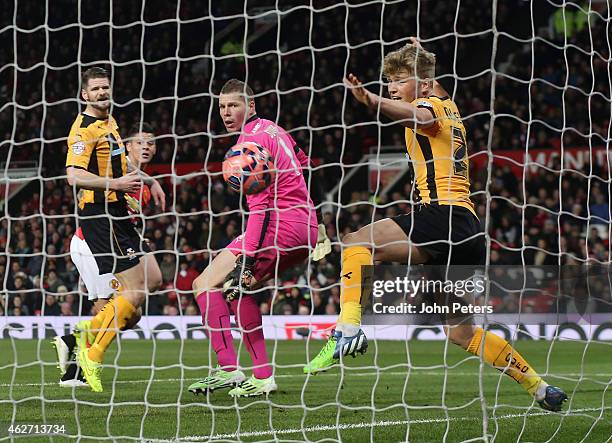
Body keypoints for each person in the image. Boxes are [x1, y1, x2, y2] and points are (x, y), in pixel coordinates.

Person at [304, 38, 567, 412]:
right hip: (470, 232)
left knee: (354, 243)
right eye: (388, 82)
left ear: (423, 84)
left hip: (442, 213)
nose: (391, 87)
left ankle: (347, 327)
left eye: (399, 79)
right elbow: (433, 87)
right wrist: (422, 56)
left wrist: (372, 101)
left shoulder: (428, 106)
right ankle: (539, 387)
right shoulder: (449, 103)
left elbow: (420, 117)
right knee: (460, 332)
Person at [187, 79, 323, 397]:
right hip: (303, 224)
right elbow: (307, 165)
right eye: (221, 107)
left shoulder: (248, 146)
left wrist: (248, 258)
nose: (226, 112)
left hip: (280, 226)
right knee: (204, 283)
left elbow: (260, 208)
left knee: (239, 286)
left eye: (233, 105)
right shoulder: (274, 130)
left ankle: (259, 376)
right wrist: (318, 221)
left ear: (251, 105)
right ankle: (230, 371)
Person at [63, 66, 164, 392]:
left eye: (105, 87)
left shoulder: (111, 122)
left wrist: (148, 179)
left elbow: (122, 163)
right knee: (130, 294)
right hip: (100, 215)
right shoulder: (84, 129)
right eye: (95, 89)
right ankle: (89, 354)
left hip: (116, 213)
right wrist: (116, 183)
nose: (102, 93)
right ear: (84, 94)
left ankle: (82, 335)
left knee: (152, 281)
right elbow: (73, 175)